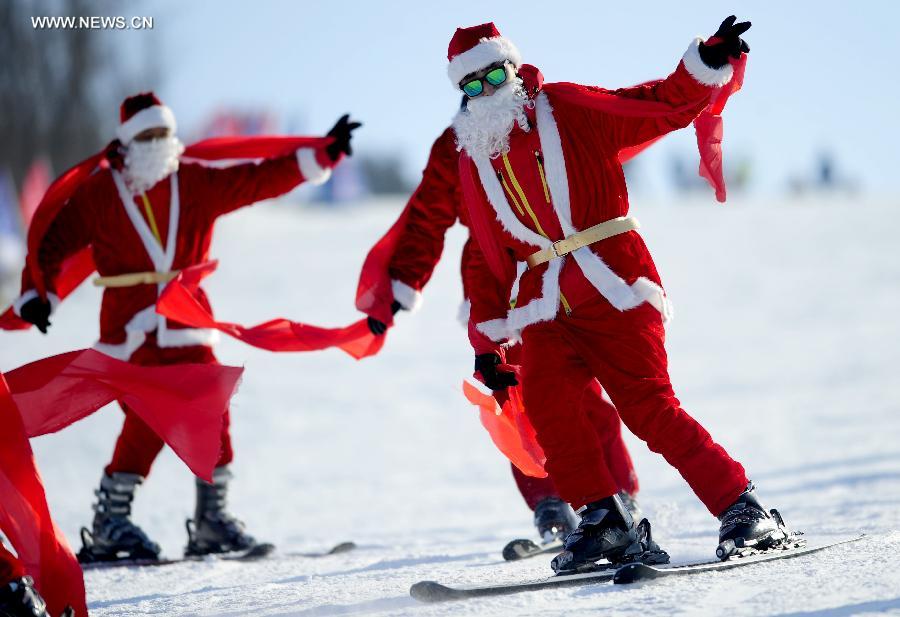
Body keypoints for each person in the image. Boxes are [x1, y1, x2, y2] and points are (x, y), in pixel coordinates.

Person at [446, 19, 794, 573]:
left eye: (494, 75)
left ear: (513, 68)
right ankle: (606, 521)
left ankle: (744, 509)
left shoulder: (566, 108)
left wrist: (704, 64)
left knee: (648, 408)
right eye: (471, 85)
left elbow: (653, 105)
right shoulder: (474, 155)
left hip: (612, 280)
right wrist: (487, 341)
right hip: (544, 299)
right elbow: (486, 252)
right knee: (550, 407)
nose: (486, 91)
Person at [11, 92, 360, 563]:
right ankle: (117, 519)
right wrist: (40, 292)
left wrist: (318, 156)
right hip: (131, 329)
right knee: (146, 420)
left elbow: (255, 180)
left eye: (164, 133)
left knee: (211, 413)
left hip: (187, 321)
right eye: (147, 135)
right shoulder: (100, 193)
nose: (157, 142)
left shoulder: (193, 183)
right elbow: (54, 239)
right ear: (128, 142)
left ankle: (205, 519)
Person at [365, 124, 640, 544]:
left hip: (555, 265)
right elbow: (427, 217)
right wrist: (401, 284)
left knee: (581, 390)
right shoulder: (452, 145)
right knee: (517, 394)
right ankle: (550, 500)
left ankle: (617, 491)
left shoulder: (540, 119)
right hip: (492, 281)